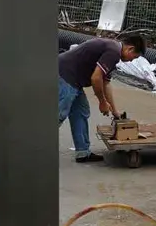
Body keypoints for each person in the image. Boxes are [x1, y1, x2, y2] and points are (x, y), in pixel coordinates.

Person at [58, 33, 146, 163]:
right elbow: (96, 78)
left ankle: (83, 152)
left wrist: (115, 111)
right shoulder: (114, 52)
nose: (132, 60)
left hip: (74, 80)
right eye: (134, 57)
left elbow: (105, 83)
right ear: (130, 49)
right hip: (64, 75)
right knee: (59, 114)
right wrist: (102, 102)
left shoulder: (112, 51)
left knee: (81, 112)